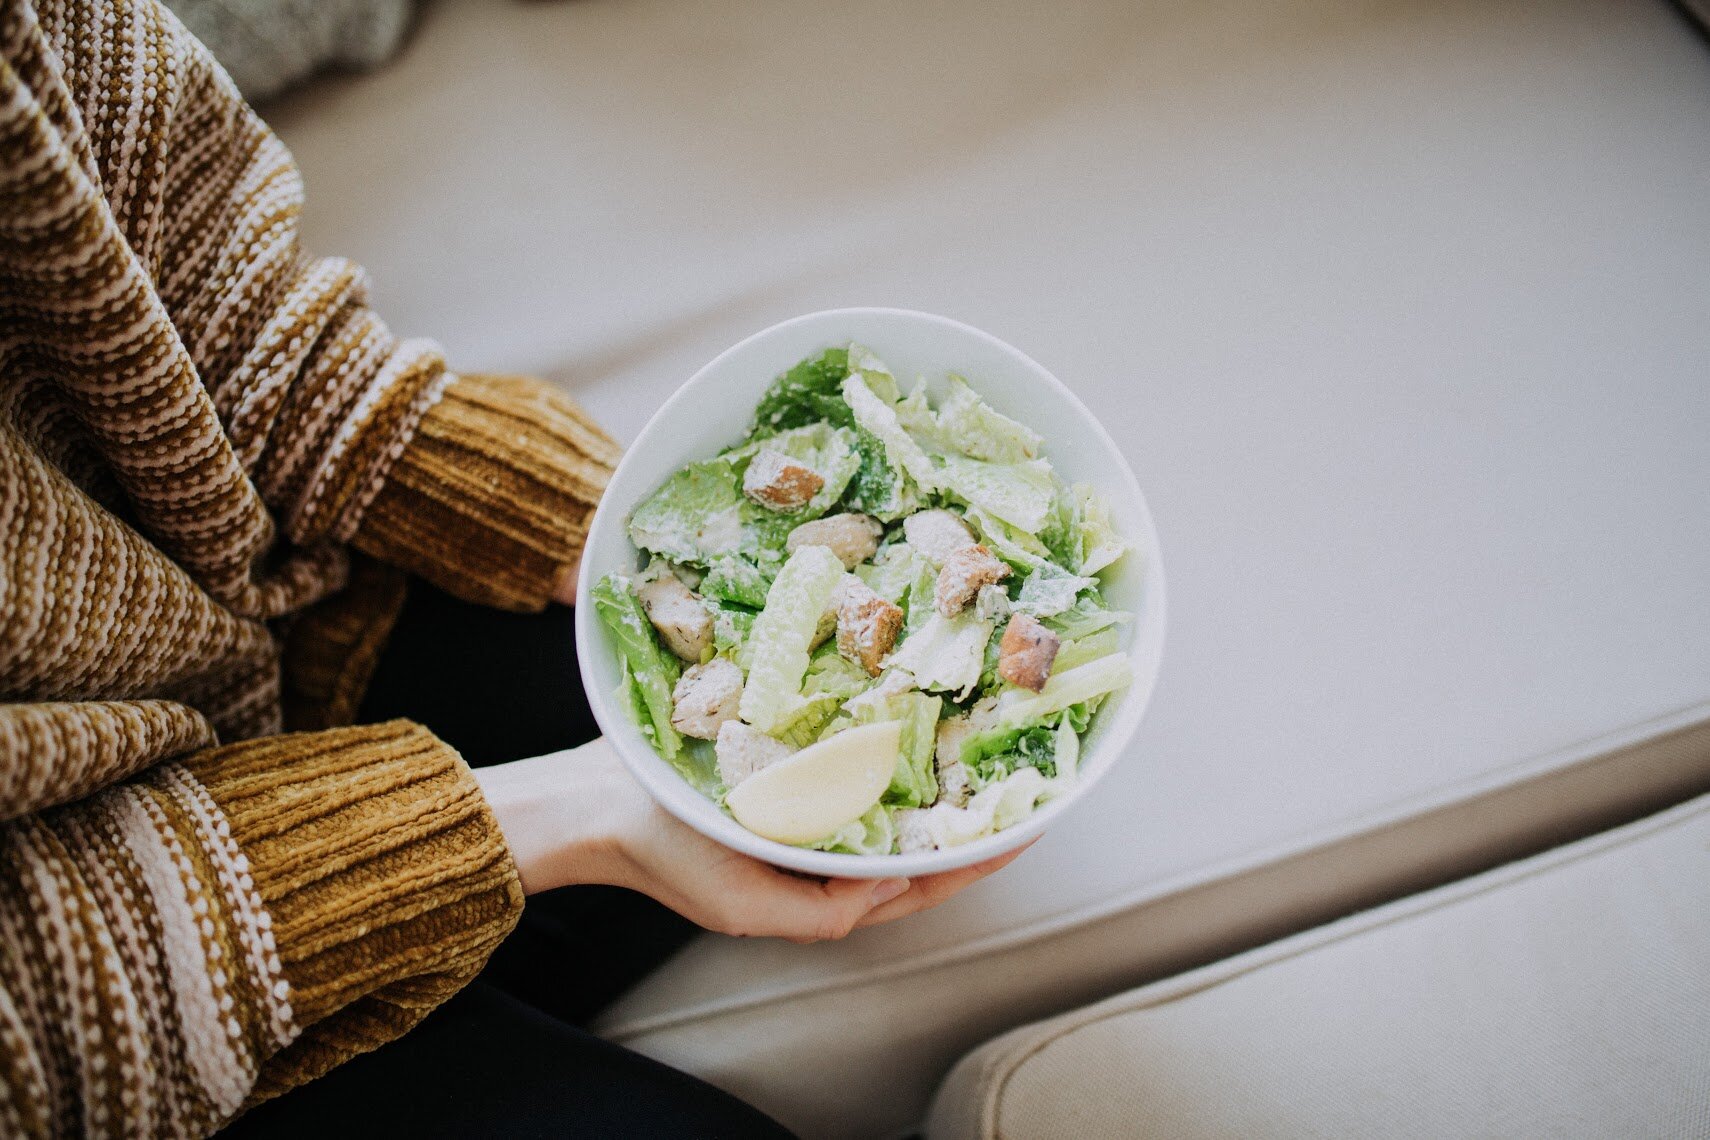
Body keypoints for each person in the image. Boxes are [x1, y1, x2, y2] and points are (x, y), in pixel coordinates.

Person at [0, 0, 1024, 1134]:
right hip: (93, 989)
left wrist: (622, 525)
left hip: (265, 626)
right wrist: (570, 815)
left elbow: (182, 277)